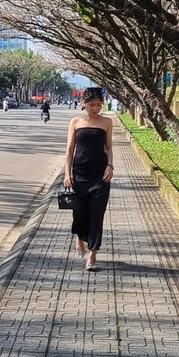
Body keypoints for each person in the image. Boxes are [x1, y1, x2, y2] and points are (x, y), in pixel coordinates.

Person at [63, 87, 114, 271]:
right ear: (84, 103)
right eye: (92, 104)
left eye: (99, 104)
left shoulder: (107, 122)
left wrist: (110, 166)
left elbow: (108, 148)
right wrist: (67, 174)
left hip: (100, 174)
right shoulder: (75, 121)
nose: (95, 108)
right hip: (79, 173)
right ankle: (79, 237)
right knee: (79, 212)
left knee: (97, 214)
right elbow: (69, 150)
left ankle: (93, 254)